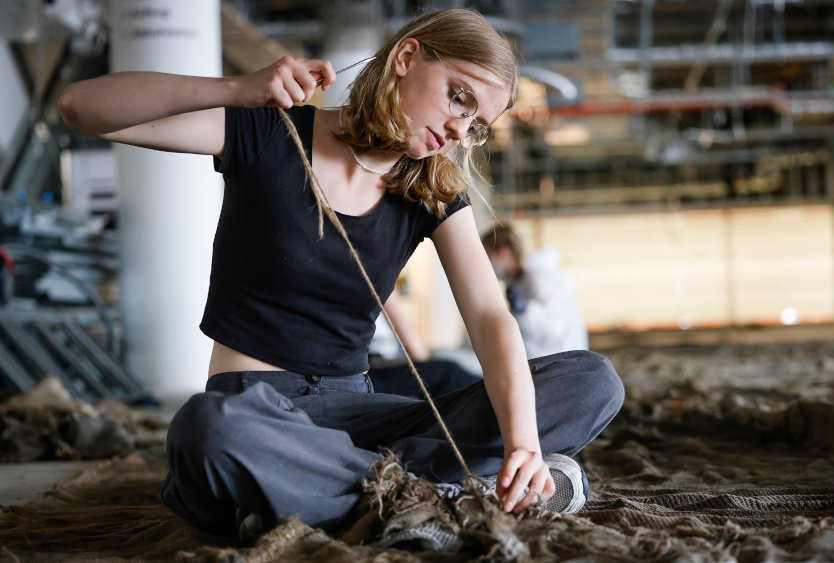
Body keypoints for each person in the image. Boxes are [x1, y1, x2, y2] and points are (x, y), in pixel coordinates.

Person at [58, 9, 623, 542]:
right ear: (406, 57)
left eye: (477, 123)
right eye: (459, 97)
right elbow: (82, 108)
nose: (459, 128)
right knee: (206, 430)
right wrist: (236, 90)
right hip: (257, 409)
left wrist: (523, 441)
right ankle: (439, 492)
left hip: (359, 415)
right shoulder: (266, 134)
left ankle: (364, 496)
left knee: (593, 381)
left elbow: (488, 315)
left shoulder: (430, 189)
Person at [481, 222, 589, 359]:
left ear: (503, 252)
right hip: (551, 361)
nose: (485, 265)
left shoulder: (537, 279)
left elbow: (554, 329)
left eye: (487, 256)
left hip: (563, 362)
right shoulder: (518, 284)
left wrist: (523, 311)